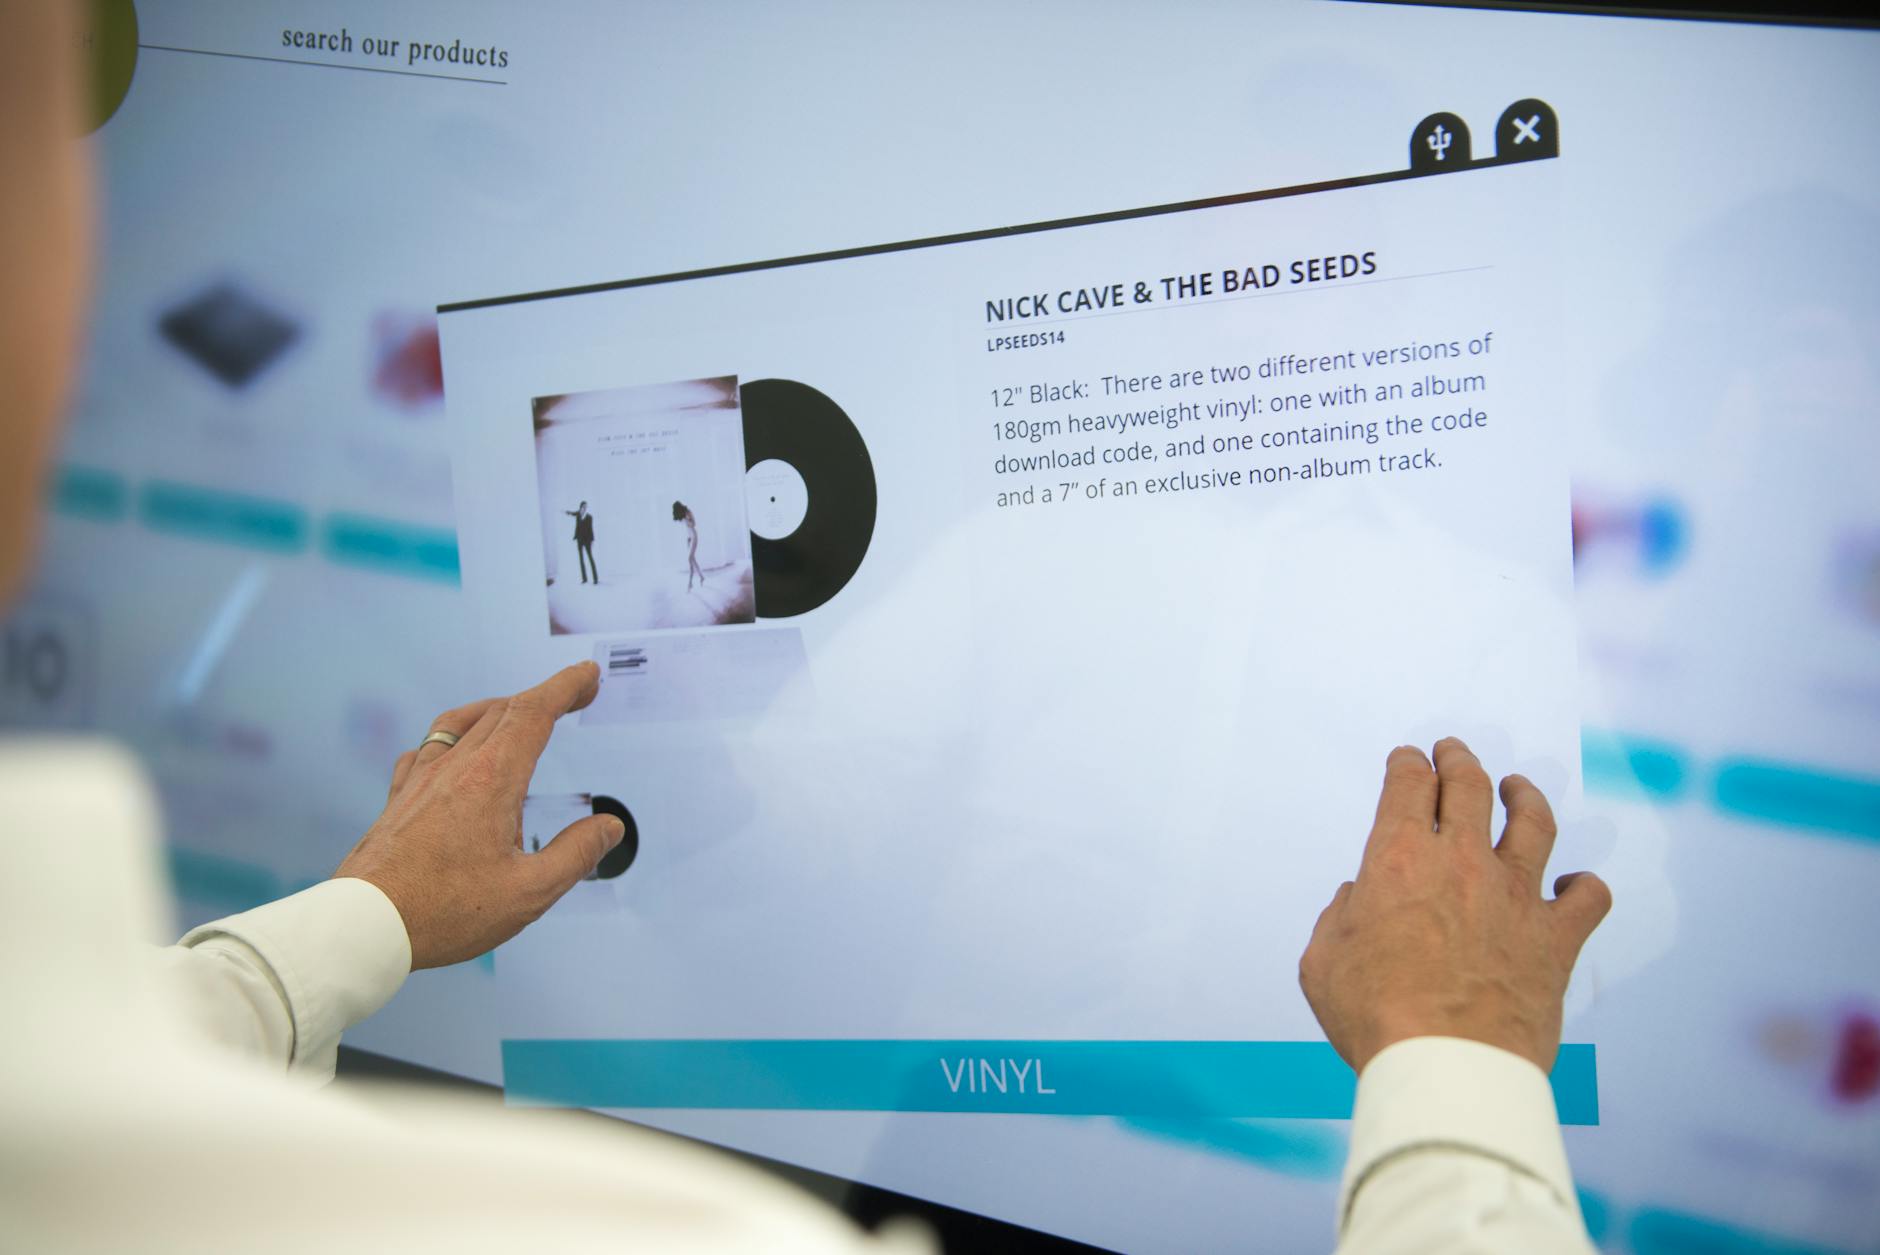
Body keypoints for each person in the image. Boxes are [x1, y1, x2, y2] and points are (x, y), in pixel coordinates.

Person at [1, 8, 1610, 1251]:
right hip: (977, 1148)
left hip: (1297, 1167)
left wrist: (348, 919)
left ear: (1393, 283)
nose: (1269, 279)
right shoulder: (1020, 537)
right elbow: (832, 805)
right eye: (1242, 232)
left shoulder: (1500, 611)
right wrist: (720, 774)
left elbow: (1633, 914)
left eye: (1317, 244)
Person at [673, 499, 703, 590]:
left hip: (694, 536)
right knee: (692, 559)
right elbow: (687, 528)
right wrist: (688, 538)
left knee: (689, 559)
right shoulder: (683, 515)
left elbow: (694, 524)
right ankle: (701, 577)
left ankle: (690, 583)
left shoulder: (688, 512)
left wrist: (687, 520)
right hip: (690, 537)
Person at [566, 500, 598, 584]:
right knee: (581, 559)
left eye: (585, 507)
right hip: (579, 540)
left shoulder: (589, 517)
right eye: (583, 506)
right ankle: (584, 579)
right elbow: (572, 513)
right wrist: (566, 512)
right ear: (580, 507)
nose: (584, 508)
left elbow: (591, 529)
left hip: (587, 541)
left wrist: (592, 541)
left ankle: (595, 579)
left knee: (590, 558)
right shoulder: (578, 515)